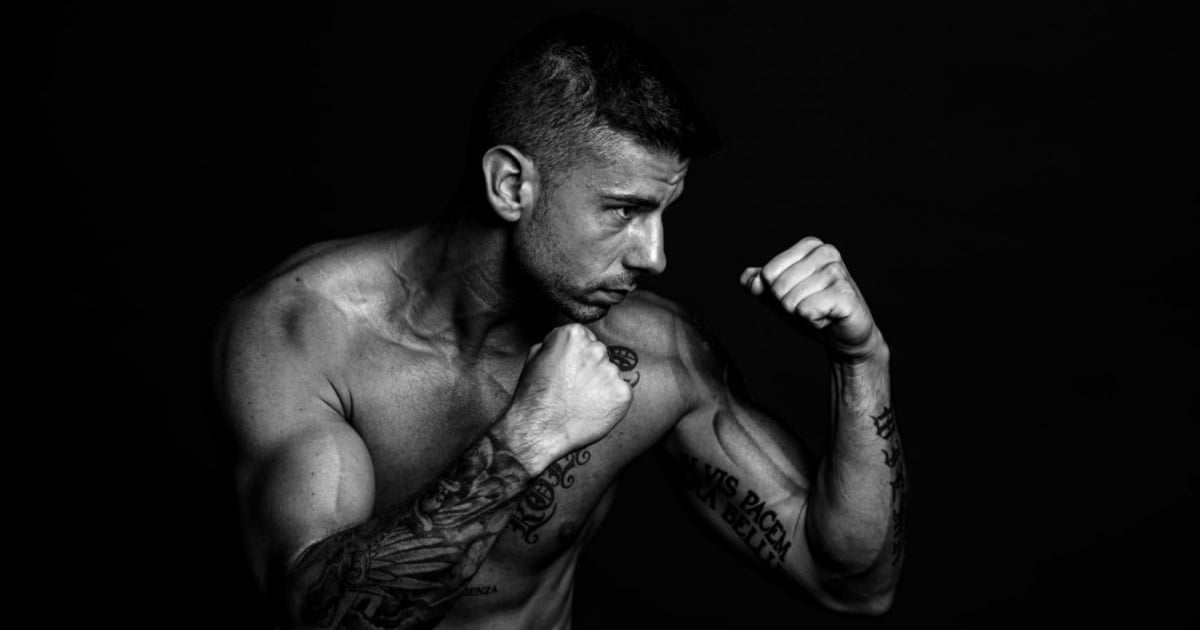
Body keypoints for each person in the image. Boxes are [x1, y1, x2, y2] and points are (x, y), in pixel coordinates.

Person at [212, 14, 906, 630]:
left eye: (663, 213)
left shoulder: (655, 357)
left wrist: (861, 362)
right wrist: (528, 437)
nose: (656, 256)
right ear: (512, 185)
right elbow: (316, 615)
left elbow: (852, 584)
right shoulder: (302, 332)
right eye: (625, 211)